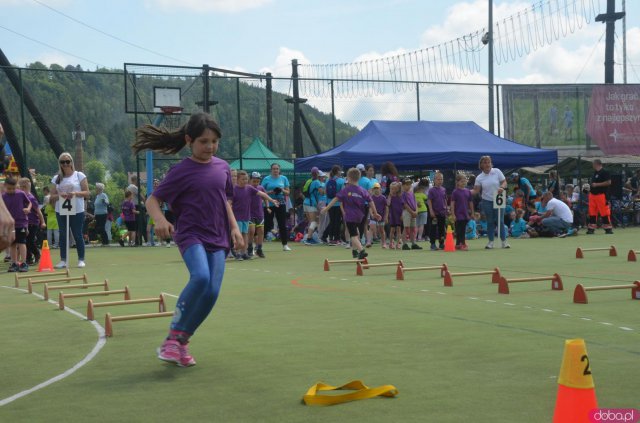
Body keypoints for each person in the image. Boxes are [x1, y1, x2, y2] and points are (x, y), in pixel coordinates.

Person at [133, 111, 243, 367]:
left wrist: (235, 228)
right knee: (201, 278)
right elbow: (152, 200)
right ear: (189, 141)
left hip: (219, 236)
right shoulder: (180, 171)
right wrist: (160, 220)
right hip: (191, 234)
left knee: (212, 293)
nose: (210, 146)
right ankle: (171, 338)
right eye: (204, 141)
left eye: (214, 141)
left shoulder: (223, 168)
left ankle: (182, 342)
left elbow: (225, 201)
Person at [321, 167, 381, 260]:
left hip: (350, 216)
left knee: (353, 235)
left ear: (348, 178)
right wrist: (375, 212)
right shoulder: (362, 190)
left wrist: (326, 208)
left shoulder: (346, 190)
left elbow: (335, 199)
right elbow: (370, 201)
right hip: (360, 216)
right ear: (359, 177)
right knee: (356, 232)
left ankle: (361, 250)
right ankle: (354, 251)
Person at [49, 152, 90, 268]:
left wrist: (75, 193)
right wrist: (60, 196)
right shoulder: (56, 178)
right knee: (63, 234)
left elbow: (87, 192)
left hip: (77, 209)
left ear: (71, 162)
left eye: (68, 161)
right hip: (61, 209)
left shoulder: (79, 175)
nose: (65, 164)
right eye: (63, 162)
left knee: (77, 234)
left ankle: (81, 259)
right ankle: (63, 260)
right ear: (60, 164)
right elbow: (51, 196)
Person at [230, 170, 278, 260]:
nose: (245, 181)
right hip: (237, 217)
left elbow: (262, 194)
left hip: (246, 217)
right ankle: (237, 253)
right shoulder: (233, 190)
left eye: (246, 179)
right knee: (239, 235)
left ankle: (244, 253)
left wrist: (272, 200)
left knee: (245, 234)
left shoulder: (249, 188)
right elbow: (229, 203)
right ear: (237, 180)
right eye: (243, 179)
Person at [472, 155, 510, 249]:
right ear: (481, 165)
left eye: (488, 162)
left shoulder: (497, 171)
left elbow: (504, 182)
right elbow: (476, 190)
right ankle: (491, 242)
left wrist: (502, 187)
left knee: (500, 220)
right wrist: (464, 192)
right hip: (487, 201)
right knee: (490, 221)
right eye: (485, 162)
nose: (487, 164)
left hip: (499, 198)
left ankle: (504, 241)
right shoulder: (479, 177)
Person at [2, 177, 31, 272]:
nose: (11, 190)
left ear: (16, 187)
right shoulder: (3, 196)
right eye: (9, 189)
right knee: (12, 244)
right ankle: (14, 263)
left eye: (13, 188)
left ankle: (24, 263)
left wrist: (28, 209)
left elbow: (29, 203)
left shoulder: (21, 194)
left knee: (22, 242)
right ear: (5, 187)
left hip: (21, 222)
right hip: (11, 224)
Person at [262, 163, 291, 251]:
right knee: (267, 224)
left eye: (277, 169)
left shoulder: (284, 178)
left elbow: (288, 192)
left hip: (281, 203)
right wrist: (271, 192)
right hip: (269, 204)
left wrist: (281, 190)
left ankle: (285, 245)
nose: (275, 170)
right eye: (274, 169)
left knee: (282, 224)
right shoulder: (266, 179)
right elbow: (261, 192)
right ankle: (259, 244)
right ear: (271, 170)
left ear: (279, 170)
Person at [18, 178, 45, 265]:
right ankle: (28, 258)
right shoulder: (21, 198)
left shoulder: (31, 198)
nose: (19, 190)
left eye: (21, 188)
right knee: (24, 241)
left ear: (24, 187)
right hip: (24, 223)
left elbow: (38, 211)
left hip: (33, 223)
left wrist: (43, 222)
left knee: (30, 240)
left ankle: (37, 254)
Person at [587, 158, 613, 234]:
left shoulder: (605, 172)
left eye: (593, 164)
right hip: (592, 195)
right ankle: (591, 228)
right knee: (592, 212)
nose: (592, 165)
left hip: (601, 195)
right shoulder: (595, 173)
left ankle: (608, 229)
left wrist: (597, 184)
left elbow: (609, 182)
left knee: (604, 211)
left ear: (597, 164)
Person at [450, 174, 474, 250]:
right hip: (458, 214)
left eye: (465, 181)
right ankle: (462, 244)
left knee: (463, 229)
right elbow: (452, 204)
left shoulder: (468, 191)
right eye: (462, 181)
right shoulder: (455, 192)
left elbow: (470, 202)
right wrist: (453, 214)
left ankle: (459, 244)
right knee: (459, 229)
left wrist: (472, 212)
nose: (464, 182)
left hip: (465, 214)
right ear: (457, 182)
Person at [323, 165, 345, 245]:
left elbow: (325, 192)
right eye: (340, 171)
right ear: (337, 171)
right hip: (338, 203)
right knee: (337, 222)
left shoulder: (328, 180)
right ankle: (336, 239)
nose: (340, 172)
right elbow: (343, 193)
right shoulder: (341, 181)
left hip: (329, 203)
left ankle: (330, 238)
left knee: (332, 221)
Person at [248, 172, 267, 258]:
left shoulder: (261, 188)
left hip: (259, 213)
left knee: (261, 231)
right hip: (249, 213)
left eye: (257, 181)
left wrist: (267, 207)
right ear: (250, 180)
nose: (256, 183)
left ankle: (259, 249)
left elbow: (265, 197)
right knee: (251, 231)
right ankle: (249, 248)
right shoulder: (247, 188)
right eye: (254, 181)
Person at [427, 172, 447, 250]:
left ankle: (441, 243)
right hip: (434, 214)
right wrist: (431, 211)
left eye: (441, 179)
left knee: (442, 229)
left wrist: (446, 208)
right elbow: (429, 201)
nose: (440, 181)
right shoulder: (431, 190)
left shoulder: (443, 189)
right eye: (438, 179)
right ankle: (432, 244)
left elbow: (445, 199)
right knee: (433, 228)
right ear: (434, 180)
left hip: (442, 213)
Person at [302, 167, 322, 245]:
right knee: (315, 222)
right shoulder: (317, 182)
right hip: (311, 203)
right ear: (317, 173)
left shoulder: (309, 180)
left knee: (311, 222)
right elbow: (321, 192)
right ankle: (309, 238)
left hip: (305, 203)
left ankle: (308, 238)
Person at [401, 178, 421, 250]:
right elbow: (405, 205)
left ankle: (413, 243)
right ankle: (404, 244)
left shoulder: (412, 193)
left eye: (409, 184)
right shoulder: (403, 194)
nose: (408, 186)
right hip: (407, 212)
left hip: (413, 212)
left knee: (413, 228)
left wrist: (416, 211)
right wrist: (412, 212)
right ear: (403, 186)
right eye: (406, 185)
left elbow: (415, 202)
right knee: (406, 228)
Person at [386, 181, 403, 249]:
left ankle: (398, 243)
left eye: (395, 189)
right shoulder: (390, 196)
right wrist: (390, 196)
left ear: (398, 189)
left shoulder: (400, 196)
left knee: (399, 229)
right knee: (392, 230)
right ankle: (390, 243)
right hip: (392, 215)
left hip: (399, 215)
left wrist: (402, 215)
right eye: (392, 189)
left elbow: (402, 206)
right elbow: (388, 204)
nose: (393, 190)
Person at [370, 182, 387, 248]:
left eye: (377, 188)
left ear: (380, 189)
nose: (376, 189)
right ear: (373, 189)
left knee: (381, 230)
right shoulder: (371, 197)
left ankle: (384, 243)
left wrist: (386, 216)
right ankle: (369, 242)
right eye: (375, 188)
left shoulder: (383, 197)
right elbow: (370, 207)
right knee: (371, 228)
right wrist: (371, 214)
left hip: (381, 216)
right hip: (374, 216)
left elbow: (386, 208)